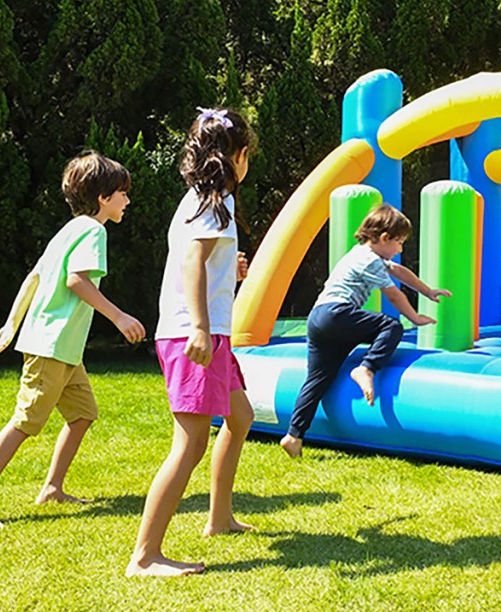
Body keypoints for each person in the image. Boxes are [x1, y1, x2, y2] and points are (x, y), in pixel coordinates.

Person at [0, 151, 146, 529]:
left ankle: (53, 488)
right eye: (123, 193)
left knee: (82, 415)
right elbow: (76, 280)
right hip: (52, 347)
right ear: (103, 197)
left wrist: (11, 326)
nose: (127, 200)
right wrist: (119, 316)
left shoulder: (68, 230)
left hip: (64, 350)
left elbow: (34, 278)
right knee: (25, 421)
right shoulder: (94, 230)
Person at [127, 107, 256, 578]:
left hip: (207, 331)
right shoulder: (215, 202)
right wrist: (200, 326)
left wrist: (231, 274)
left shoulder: (203, 200)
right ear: (238, 156)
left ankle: (219, 518)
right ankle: (145, 556)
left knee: (240, 417)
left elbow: (203, 262)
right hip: (193, 335)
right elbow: (191, 264)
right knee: (190, 443)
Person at [279, 204, 451, 459]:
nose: (400, 249)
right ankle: (366, 368)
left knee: (317, 379)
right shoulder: (369, 261)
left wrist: (427, 291)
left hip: (318, 318)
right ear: (384, 238)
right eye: (399, 242)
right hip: (337, 314)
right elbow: (393, 294)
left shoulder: (362, 253)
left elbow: (399, 272)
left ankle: (294, 435)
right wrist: (413, 317)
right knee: (391, 326)